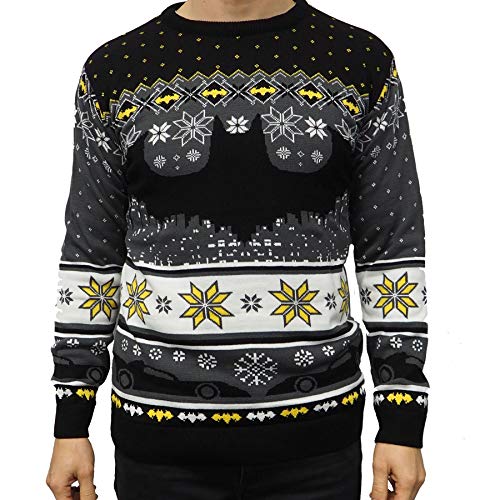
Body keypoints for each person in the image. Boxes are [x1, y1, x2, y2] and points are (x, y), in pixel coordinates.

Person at [46, 1, 429, 498]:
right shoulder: (116, 71)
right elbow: (91, 250)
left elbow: (391, 245)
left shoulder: (359, 62)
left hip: (317, 440)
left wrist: (402, 418)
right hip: (159, 440)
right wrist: (71, 420)